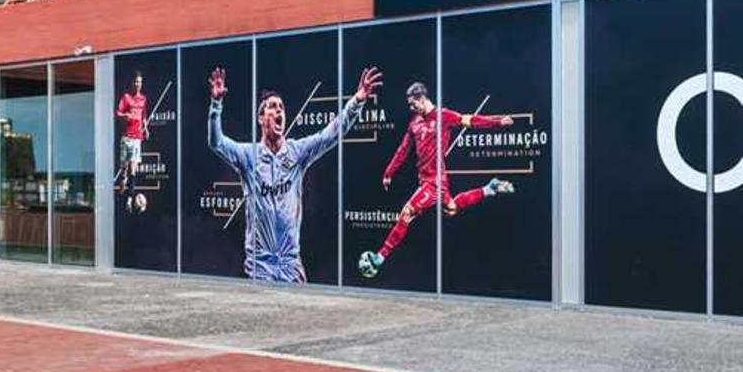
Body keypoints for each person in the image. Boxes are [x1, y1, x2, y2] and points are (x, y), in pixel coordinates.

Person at [207, 63, 381, 284]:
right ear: (261, 118)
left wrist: (357, 100)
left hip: (291, 265)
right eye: (272, 107)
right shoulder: (248, 156)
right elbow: (217, 143)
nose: (279, 110)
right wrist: (216, 104)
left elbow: (331, 133)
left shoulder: (297, 152)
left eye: (281, 107)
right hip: (261, 266)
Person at [357, 81, 526, 280]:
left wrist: (497, 122)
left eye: (413, 103)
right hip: (427, 180)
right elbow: (403, 149)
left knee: (407, 212)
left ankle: (379, 257)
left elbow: (470, 120)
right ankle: (490, 188)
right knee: (452, 207)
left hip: (435, 181)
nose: (411, 108)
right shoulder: (414, 123)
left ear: (422, 98)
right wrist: (389, 172)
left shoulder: (443, 116)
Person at [115, 72, 148, 205]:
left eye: (140, 82)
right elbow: (118, 113)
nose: (138, 84)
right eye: (136, 82)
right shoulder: (126, 97)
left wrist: (146, 128)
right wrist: (125, 115)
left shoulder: (143, 99)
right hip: (126, 137)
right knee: (124, 169)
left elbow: (144, 115)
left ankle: (129, 200)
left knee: (133, 168)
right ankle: (123, 181)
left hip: (137, 138)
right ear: (132, 83)